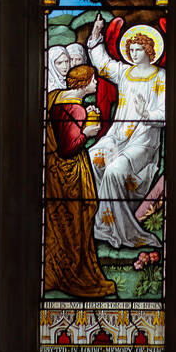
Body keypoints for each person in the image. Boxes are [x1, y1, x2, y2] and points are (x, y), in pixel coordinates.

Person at [85, 16, 165, 251]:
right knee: (92, 158)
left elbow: (165, 112)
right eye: (131, 49)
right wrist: (96, 35)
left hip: (144, 141)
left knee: (114, 170)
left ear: (149, 50)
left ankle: (115, 227)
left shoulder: (161, 76)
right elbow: (103, 63)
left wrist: (146, 114)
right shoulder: (125, 73)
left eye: (139, 49)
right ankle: (101, 218)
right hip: (118, 136)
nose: (134, 53)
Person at [44, 63, 116, 300]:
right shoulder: (76, 110)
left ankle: (57, 271)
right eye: (94, 79)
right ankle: (77, 276)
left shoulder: (55, 99)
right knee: (77, 224)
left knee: (60, 225)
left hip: (54, 172)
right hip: (71, 174)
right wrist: (89, 132)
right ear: (84, 82)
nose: (96, 83)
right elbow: (69, 148)